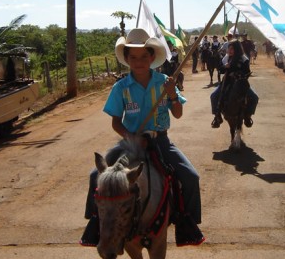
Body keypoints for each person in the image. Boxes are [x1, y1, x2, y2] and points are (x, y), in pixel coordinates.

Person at [82, 28, 202, 244]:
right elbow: (116, 122)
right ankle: (95, 223)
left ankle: (187, 223)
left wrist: (173, 95)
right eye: (134, 57)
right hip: (130, 144)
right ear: (127, 59)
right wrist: (131, 137)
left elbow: (178, 113)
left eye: (144, 56)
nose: (139, 61)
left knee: (191, 176)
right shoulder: (121, 88)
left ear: (152, 57)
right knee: (95, 176)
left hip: (160, 141)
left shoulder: (165, 82)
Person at [210, 40, 259, 128]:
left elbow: (247, 72)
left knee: (254, 97)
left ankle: (248, 116)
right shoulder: (226, 58)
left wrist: (237, 74)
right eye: (229, 48)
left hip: (241, 84)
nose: (229, 50)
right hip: (227, 82)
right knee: (213, 96)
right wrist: (225, 66)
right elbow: (220, 70)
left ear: (237, 49)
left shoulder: (244, 59)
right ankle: (217, 117)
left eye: (232, 49)